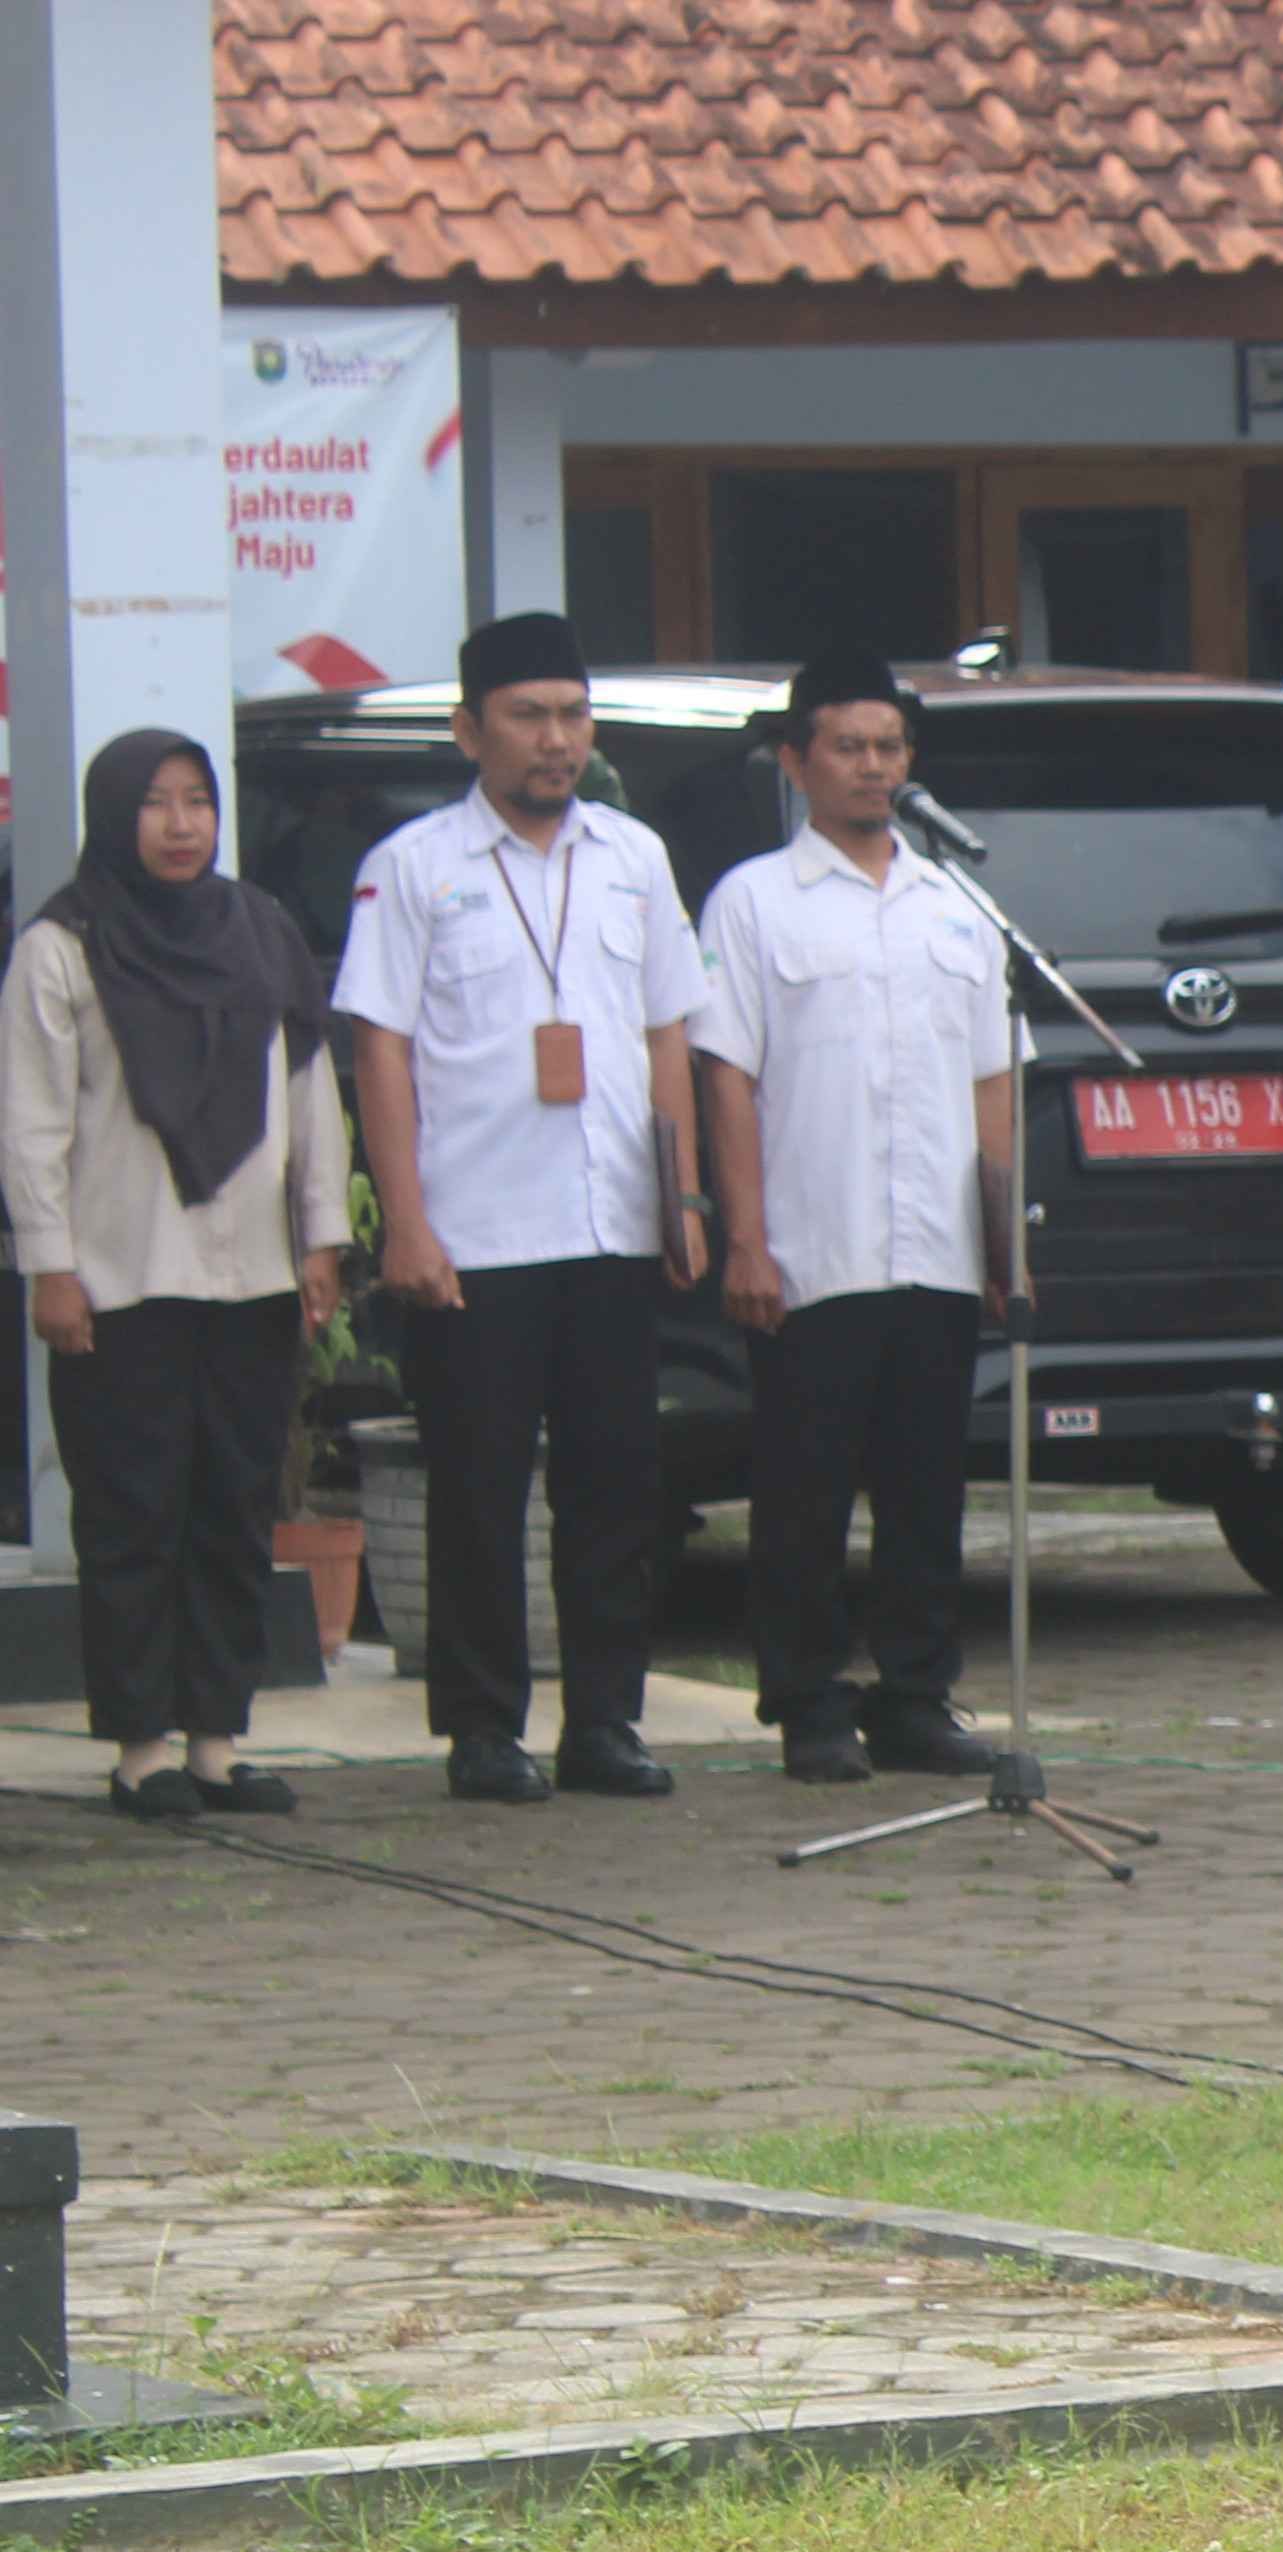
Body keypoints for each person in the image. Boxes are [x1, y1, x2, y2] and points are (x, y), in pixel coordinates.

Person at [328, 609, 715, 1804]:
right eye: (527, 717)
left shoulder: (632, 857)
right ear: (467, 730)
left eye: (572, 715)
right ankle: (483, 1727)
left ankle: (605, 1721)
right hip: (476, 1233)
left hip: (609, 1221)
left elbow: (666, 1035)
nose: (556, 741)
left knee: (616, 1484)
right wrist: (407, 1219)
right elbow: (380, 1051)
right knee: (479, 1486)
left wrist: (684, 1195)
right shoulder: (413, 867)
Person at [4, 725, 350, 1819]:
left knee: (232, 1508)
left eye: (197, 800)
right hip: (119, 1279)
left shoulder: (259, 931)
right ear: (117, 815)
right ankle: (141, 1750)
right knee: (134, 1513)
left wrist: (323, 1235)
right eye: (155, 802)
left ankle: (214, 1739)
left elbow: (309, 1092)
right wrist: (48, 1267)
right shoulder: (63, 945)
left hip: (248, 1275)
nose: (181, 823)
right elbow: (32, 1123)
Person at [689, 649, 1012, 1790]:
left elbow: (990, 1081)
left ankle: (916, 1696)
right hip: (811, 1250)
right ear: (796, 762)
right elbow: (726, 1074)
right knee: (803, 1491)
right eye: (848, 747)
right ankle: (810, 1703)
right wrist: (745, 1238)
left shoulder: (956, 906)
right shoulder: (753, 901)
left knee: (926, 1486)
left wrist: (1004, 1241)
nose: (873, 768)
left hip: (936, 1245)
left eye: (890, 749)